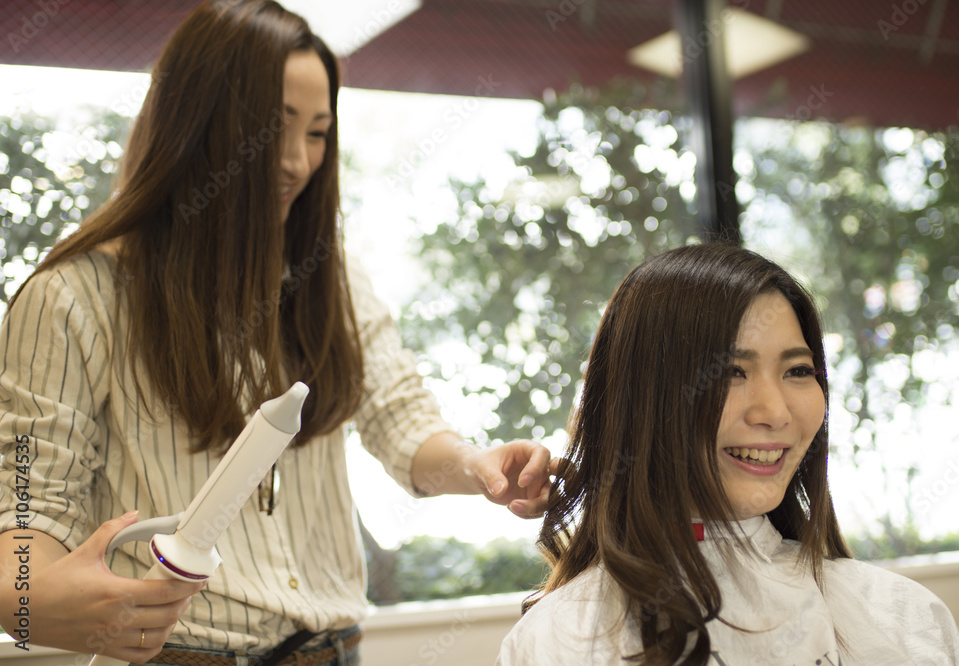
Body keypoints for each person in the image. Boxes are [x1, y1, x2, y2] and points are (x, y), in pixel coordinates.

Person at [0, 1, 554, 664]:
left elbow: (401, 420)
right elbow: (27, 510)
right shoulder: (72, 297)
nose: (296, 162)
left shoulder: (329, 278)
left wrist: (478, 468)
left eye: (317, 133)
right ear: (193, 124)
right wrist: (28, 601)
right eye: (271, 130)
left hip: (334, 650)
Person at [497, 243, 959, 666]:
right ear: (645, 399)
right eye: (729, 372)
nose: (775, 411)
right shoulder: (559, 641)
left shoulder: (905, 615)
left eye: (798, 370)